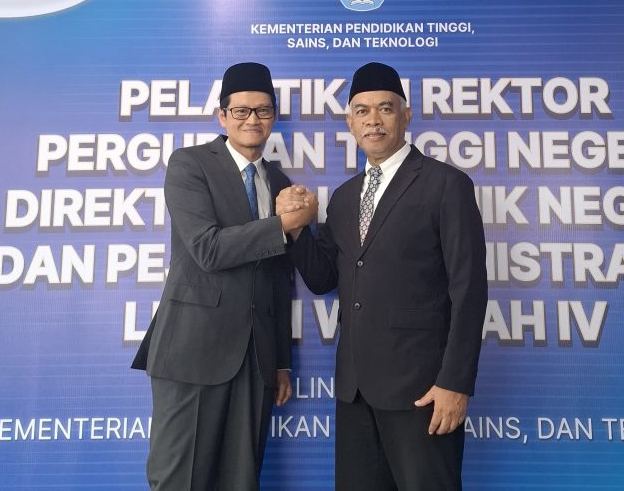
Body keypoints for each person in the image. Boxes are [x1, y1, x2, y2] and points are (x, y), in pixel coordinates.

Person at [281, 62, 488, 491]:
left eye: (385, 108)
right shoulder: (344, 198)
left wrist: (455, 382)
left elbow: (469, 290)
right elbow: (323, 279)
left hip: (423, 389)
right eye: (362, 111)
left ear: (405, 116)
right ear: (350, 122)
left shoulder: (446, 184)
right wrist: (298, 230)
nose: (373, 120)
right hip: (355, 390)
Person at [132, 61, 316, 491]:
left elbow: (279, 280)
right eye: (241, 110)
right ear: (222, 116)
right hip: (193, 349)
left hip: (256, 361)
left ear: (273, 117)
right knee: (180, 480)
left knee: (241, 481)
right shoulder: (190, 164)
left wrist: (281, 361)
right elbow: (207, 249)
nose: (253, 119)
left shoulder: (279, 181)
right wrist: (282, 226)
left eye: (263, 110)